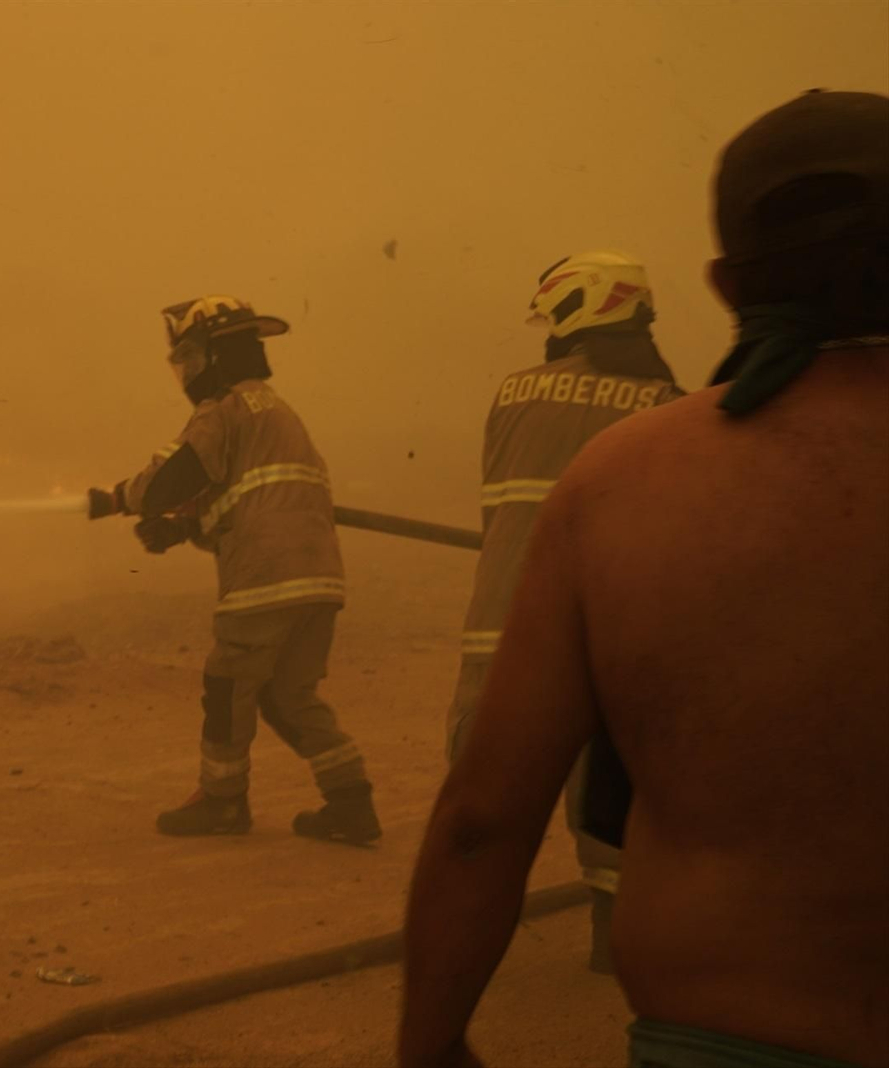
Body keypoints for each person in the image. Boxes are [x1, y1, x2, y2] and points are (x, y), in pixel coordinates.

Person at [399, 89, 889, 1068]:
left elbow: (480, 822)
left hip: (721, 1035)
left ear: (724, 281)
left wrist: (430, 1043)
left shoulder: (628, 479)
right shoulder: (639, 420)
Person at [446, 250, 684, 972]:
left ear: (574, 314)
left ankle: (461, 950)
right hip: (611, 638)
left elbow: (502, 506)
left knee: (482, 798)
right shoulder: (668, 403)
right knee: (615, 800)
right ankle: (612, 948)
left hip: (506, 629)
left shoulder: (516, 392)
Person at [89, 295, 379, 843]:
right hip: (317, 578)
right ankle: (351, 802)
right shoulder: (276, 413)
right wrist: (180, 529)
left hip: (264, 580)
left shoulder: (223, 410)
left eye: (192, 359)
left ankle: (222, 803)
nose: (188, 373)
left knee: (226, 687)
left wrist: (121, 497)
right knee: (288, 695)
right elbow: (243, 502)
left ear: (217, 356)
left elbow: (175, 477)